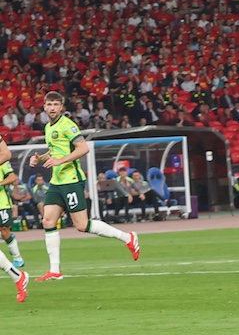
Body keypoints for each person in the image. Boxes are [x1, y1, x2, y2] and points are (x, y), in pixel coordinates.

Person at [28, 92, 139, 281]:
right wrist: (41, 159)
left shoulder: (68, 125)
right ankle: (55, 270)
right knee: (48, 221)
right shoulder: (48, 127)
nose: (52, 108)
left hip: (71, 180)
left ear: (61, 107)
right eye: (49, 104)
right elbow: (55, 150)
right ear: (44, 107)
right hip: (56, 182)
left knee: (81, 225)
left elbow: (83, 148)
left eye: (56, 104)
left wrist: (60, 160)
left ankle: (128, 237)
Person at [0, 137, 29, 302]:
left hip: (1, 202)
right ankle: (18, 276)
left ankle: (17, 261)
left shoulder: (2, 161)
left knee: (5, 231)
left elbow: (12, 177)